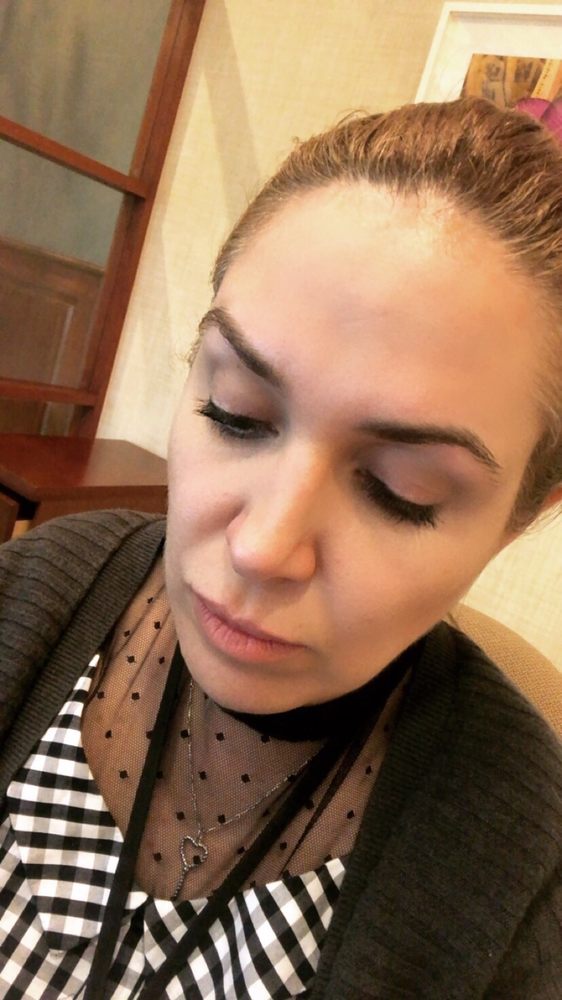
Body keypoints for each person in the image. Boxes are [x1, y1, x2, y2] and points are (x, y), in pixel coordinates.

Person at [0, 97, 561, 999]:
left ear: (520, 519)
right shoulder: (30, 597)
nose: (263, 548)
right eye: (236, 413)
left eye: (402, 491)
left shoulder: (520, 875)